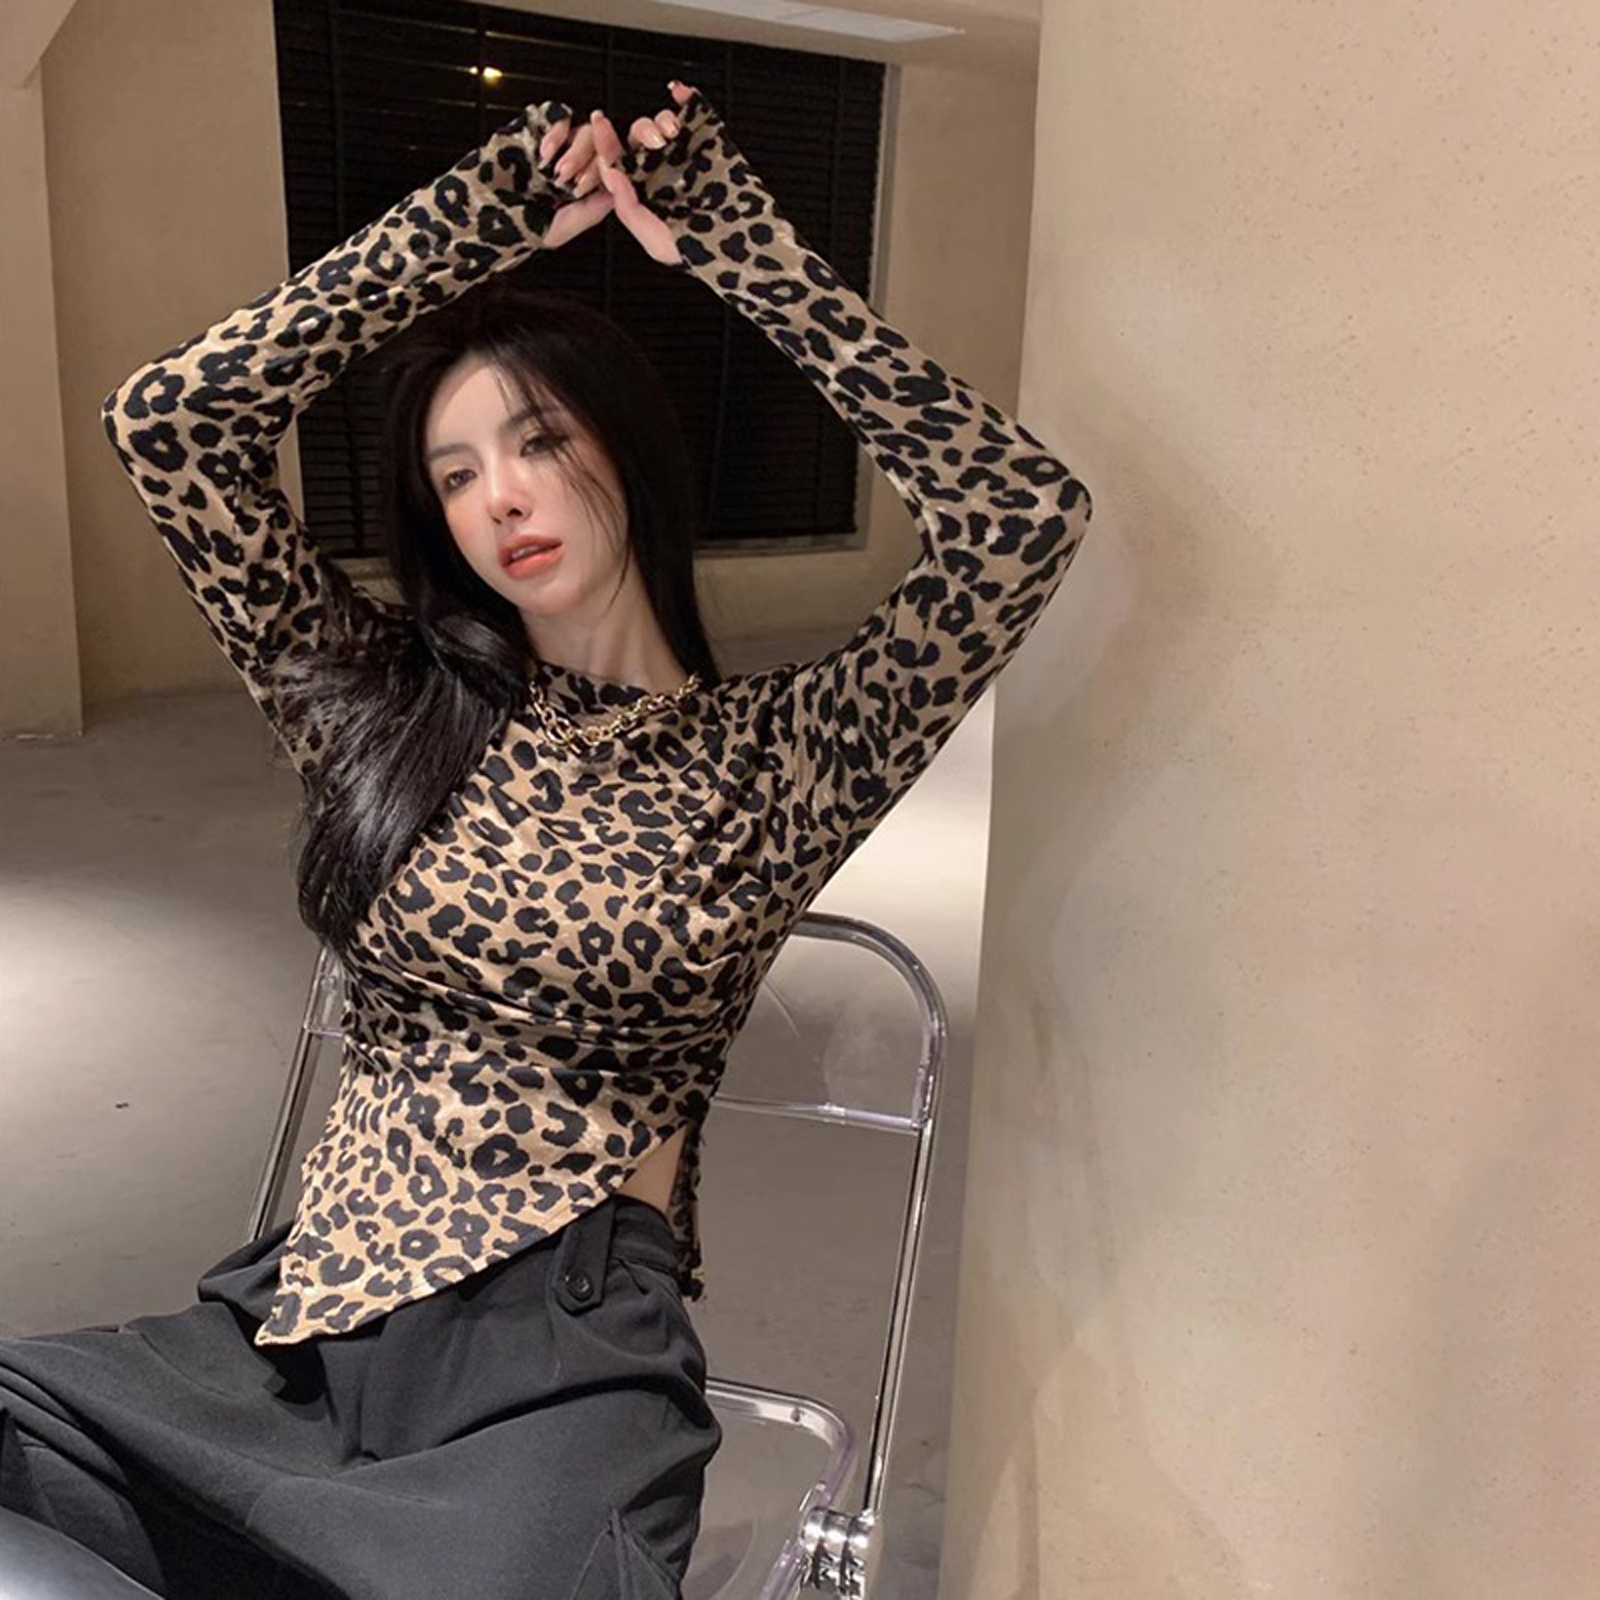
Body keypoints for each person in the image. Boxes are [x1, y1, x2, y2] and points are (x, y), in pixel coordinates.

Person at [0, 77, 1094, 1599]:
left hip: (557, 1358)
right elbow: (169, 425)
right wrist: (474, 224)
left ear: (627, 449)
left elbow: (1017, 519)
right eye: (455, 476)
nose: (499, 497)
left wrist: (739, 248)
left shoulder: (777, 759)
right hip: (302, 1335)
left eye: (535, 441)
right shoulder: (380, 704)